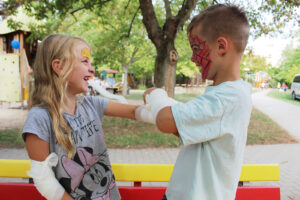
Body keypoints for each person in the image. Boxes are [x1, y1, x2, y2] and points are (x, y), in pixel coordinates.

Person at [135, 4, 252, 200]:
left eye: (196, 48)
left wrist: (157, 95)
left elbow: (165, 121)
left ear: (221, 46)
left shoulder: (229, 97)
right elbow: (182, 126)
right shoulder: (228, 93)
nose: (192, 58)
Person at [22, 34, 139, 200]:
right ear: (59, 67)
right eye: (85, 61)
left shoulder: (90, 104)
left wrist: (163, 106)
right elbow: (44, 180)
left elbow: (134, 111)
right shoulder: (40, 119)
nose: (92, 69)